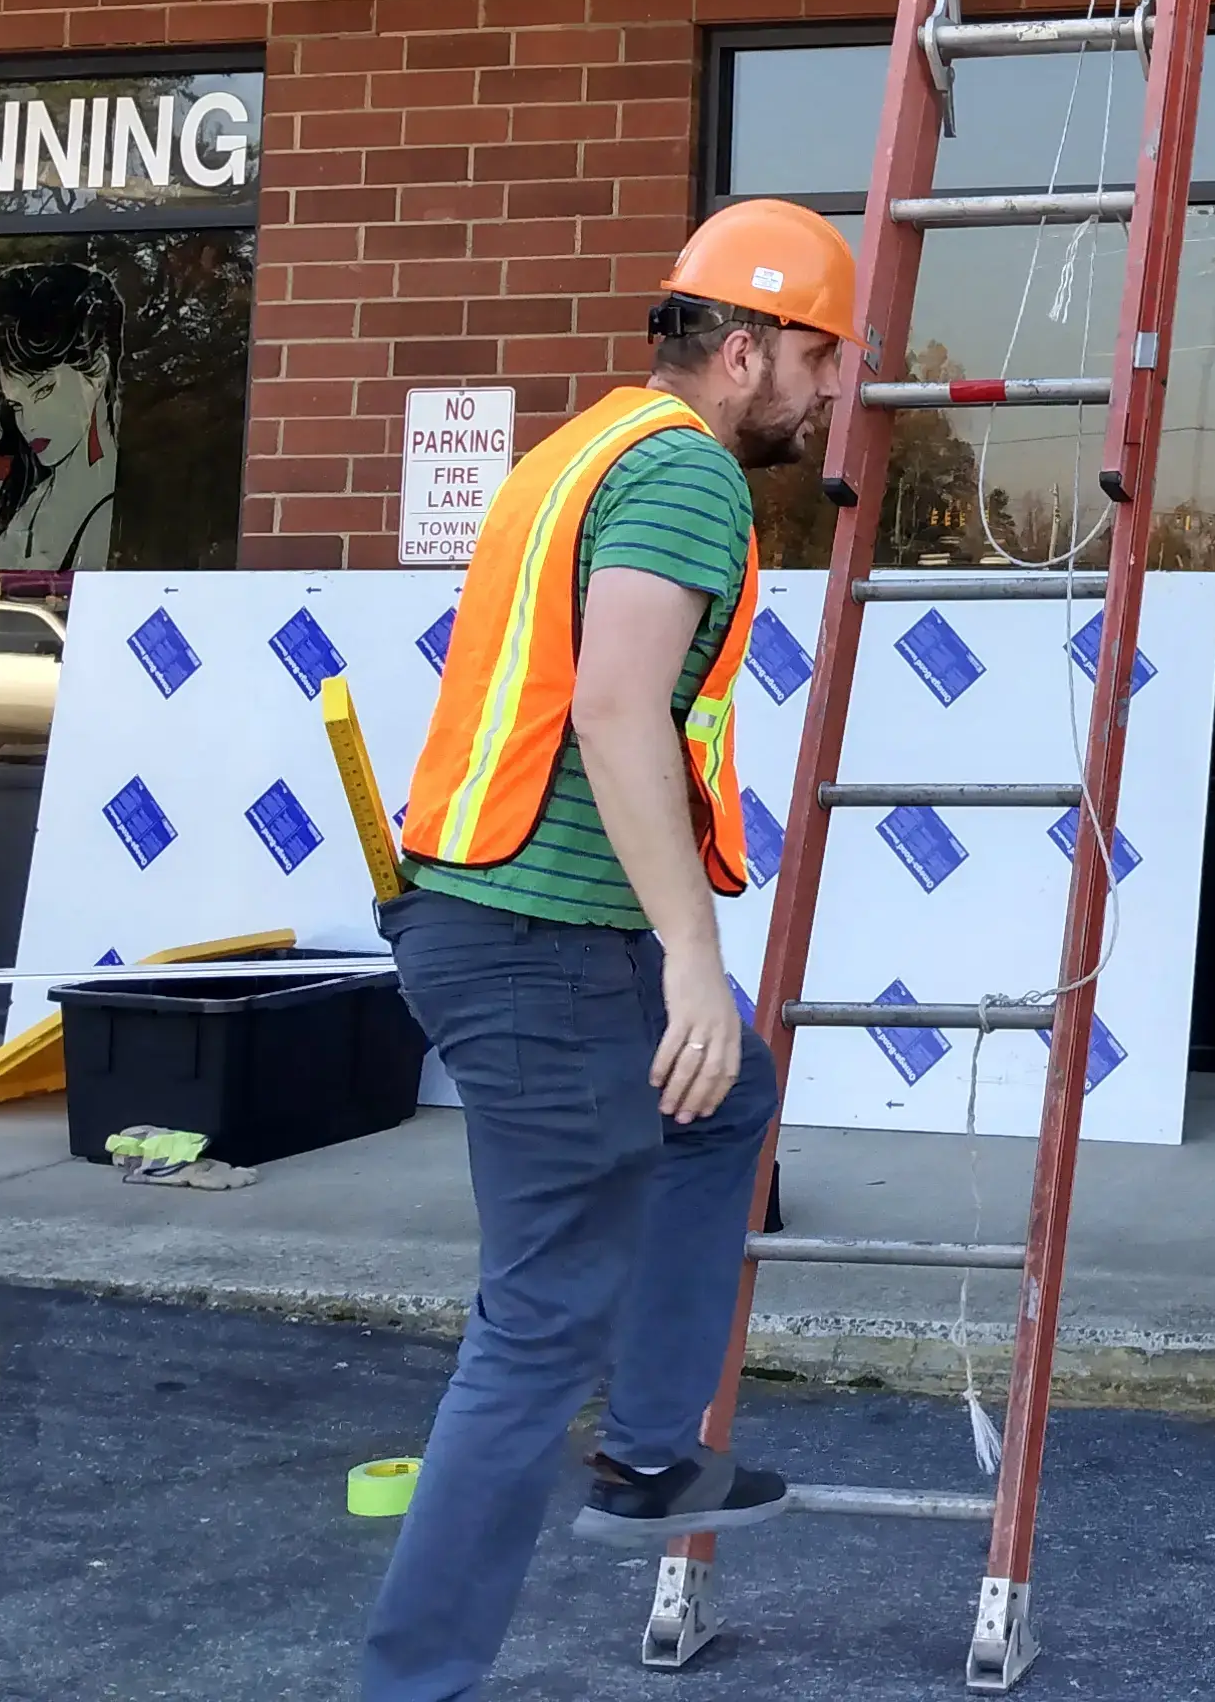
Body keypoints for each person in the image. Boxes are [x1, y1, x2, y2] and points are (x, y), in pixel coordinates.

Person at [361, 198, 861, 1702]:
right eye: (821, 363)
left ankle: (649, 1451)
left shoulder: (580, 449)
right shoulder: (688, 474)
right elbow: (617, 706)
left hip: (525, 924)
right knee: (534, 1329)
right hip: (540, 945)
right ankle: (414, 1682)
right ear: (749, 350)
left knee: (726, 1104)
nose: (831, 397)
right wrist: (692, 957)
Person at [0, 258, 123, 572]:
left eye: (43, 391)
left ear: (97, 371)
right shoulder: (32, 502)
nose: (28, 422)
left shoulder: (122, 509)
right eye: (16, 405)